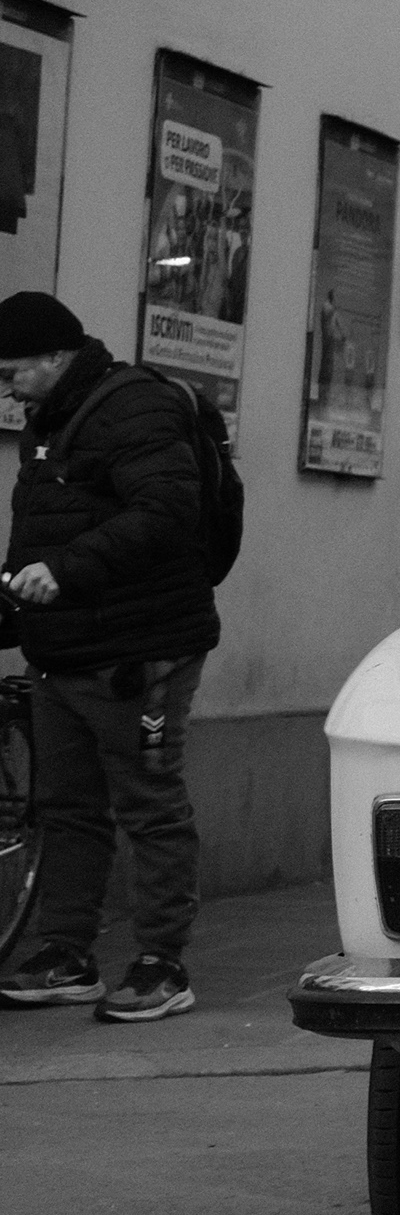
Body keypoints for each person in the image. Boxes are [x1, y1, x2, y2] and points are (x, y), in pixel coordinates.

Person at [0, 294, 225, 1024]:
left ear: (55, 357)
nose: (7, 388)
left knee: (149, 805)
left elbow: (165, 511)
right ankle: (66, 953)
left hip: (141, 651)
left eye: (13, 372)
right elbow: (46, 527)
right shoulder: (55, 417)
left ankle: (163, 961)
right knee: (67, 808)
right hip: (66, 648)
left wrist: (65, 570)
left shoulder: (132, 409)